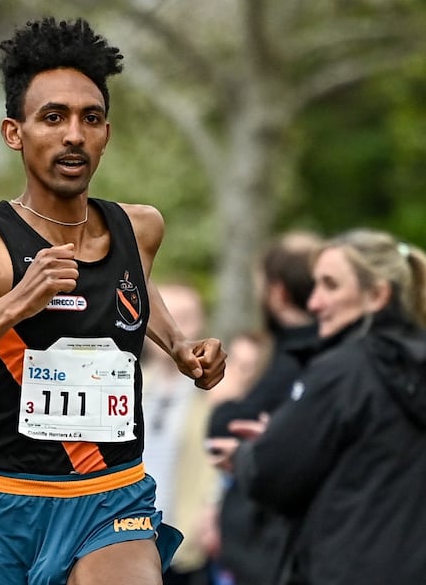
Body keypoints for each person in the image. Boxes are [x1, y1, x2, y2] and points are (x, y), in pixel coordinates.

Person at [0, 17, 226, 585]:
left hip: (112, 497)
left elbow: (134, 290)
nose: (74, 135)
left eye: (91, 119)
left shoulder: (139, 228)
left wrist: (181, 346)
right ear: (14, 132)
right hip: (9, 506)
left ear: (107, 132)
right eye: (53, 118)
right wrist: (15, 304)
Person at [208, 229, 426, 585]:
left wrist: (249, 453)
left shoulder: (345, 368)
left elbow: (274, 473)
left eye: (330, 285)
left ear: (377, 295)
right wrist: (282, 435)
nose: (314, 303)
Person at [206, 231, 322, 585]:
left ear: (277, 292)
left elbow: (225, 430)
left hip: (275, 553)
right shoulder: (297, 354)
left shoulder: (297, 358)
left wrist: (226, 401)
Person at [141, 284, 221, 585]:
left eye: (185, 318)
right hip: (130, 538)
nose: (175, 329)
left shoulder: (214, 397)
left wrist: (212, 510)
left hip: (187, 541)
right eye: (166, 317)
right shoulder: (126, 385)